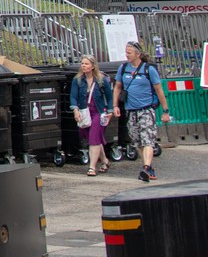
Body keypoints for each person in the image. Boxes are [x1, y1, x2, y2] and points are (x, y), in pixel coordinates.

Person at [114, 40, 172, 182]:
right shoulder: (123, 69)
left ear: (138, 54)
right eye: (126, 52)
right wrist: (115, 105)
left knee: (148, 139)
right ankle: (148, 166)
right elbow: (117, 87)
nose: (127, 55)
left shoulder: (148, 69)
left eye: (129, 52)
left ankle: (145, 168)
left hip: (146, 109)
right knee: (137, 141)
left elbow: (159, 90)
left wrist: (166, 110)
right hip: (130, 110)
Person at [70, 55, 112, 176]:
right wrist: (75, 110)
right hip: (85, 112)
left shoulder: (101, 80)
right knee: (93, 138)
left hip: (98, 112)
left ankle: (92, 167)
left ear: (93, 66)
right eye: (82, 63)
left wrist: (110, 111)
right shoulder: (77, 80)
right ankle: (105, 161)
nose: (83, 66)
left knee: (94, 138)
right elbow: (73, 96)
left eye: (86, 64)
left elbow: (109, 96)